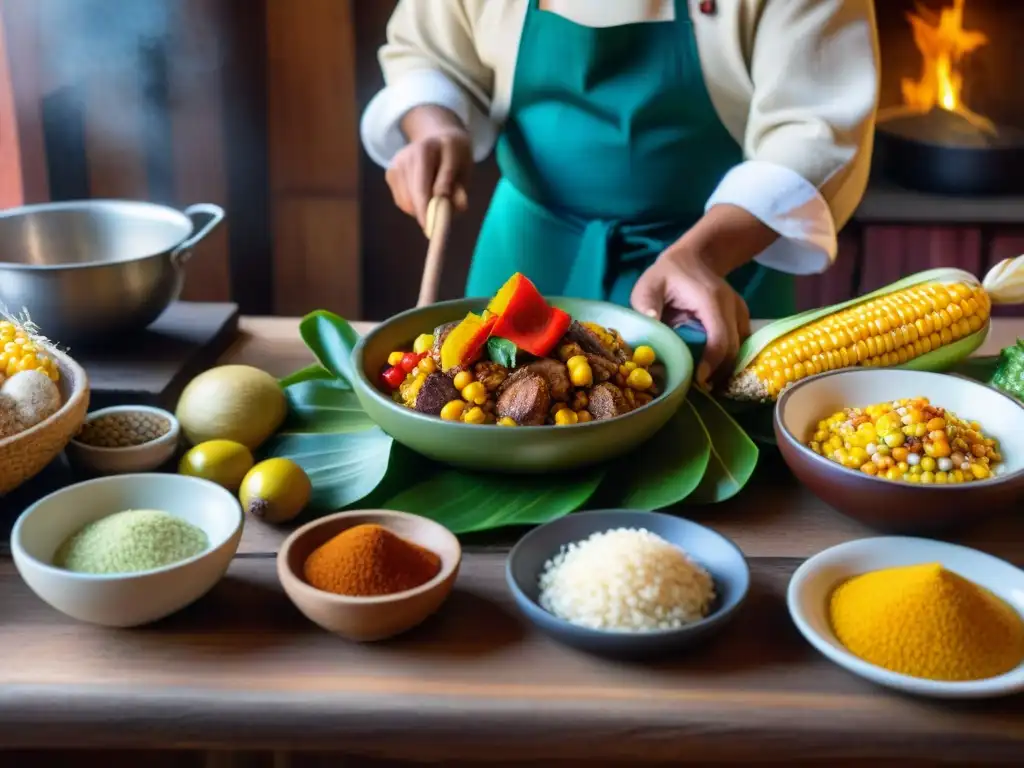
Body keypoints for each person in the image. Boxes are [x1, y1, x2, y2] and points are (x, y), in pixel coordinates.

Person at [361, 0, 879, 387]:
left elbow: (815, 128)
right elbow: (428, 51)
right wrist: (434, 126)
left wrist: (702, 255)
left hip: (713, 269)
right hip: (526, 253)